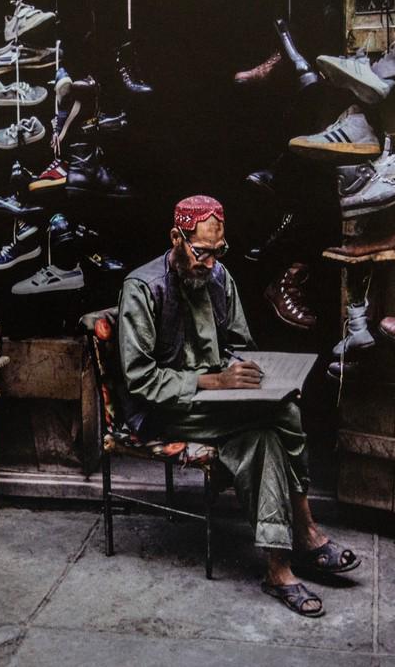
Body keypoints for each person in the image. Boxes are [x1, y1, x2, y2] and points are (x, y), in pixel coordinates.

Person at [116, 194, 360, 618]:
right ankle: (306, 531)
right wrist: (211, 381)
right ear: (176, 238)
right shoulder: (143, 287)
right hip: (166, 408)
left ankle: (278, 568)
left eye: (219, 252)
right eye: (202, 252)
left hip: (222, 405)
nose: (210, 262)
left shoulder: (218, 278)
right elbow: (140, 379)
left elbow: (238, 346)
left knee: (263, 439)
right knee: (283, 414)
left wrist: (256, 376)